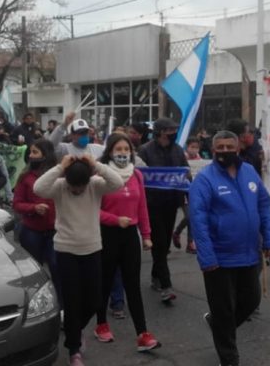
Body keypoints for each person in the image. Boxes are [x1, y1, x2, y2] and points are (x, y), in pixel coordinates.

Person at [189, 130, 270, 366]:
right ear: (213, 149)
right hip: (219, 258)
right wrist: (206, 257)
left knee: (250, 301)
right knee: (224, 310)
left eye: (230, 147)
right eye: (221, 147)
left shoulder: (249, 172)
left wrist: (269, 238)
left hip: (249, 253)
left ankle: (218, 324)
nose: (225, 151)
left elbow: (264, 205)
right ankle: (229, 359)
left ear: (238, 148)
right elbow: (198, 219)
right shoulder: (205, 179)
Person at [33, 154, 124, 366]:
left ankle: (75, 329)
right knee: (72, 301)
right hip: (65, 250)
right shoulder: (60, 186)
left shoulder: (94, 185)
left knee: (94, 300)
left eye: (80, 187)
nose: (77, 191)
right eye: (74, 187)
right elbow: (38, 188)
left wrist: (95, 165)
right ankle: (74, 350)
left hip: (92, 248)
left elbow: (117, 182)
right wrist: (60, 167)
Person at [92, 133, 160, 352]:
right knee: (105, 282)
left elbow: (142, 208)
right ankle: (101, 324)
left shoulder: (137, 175)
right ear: (109, 152)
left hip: (130, 235)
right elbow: (91, 211)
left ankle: (142, 333)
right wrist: (114, 220)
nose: (122, 153)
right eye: (118, 149)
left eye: (126, 149)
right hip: (107, 234)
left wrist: (147, 235)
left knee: (133, 285)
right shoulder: (100, 176)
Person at [138, 117, 189, 303]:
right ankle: (166, 286)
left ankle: (156, 275)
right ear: (160, 132)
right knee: (159, 243)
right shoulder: (145, 150)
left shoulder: (177, 150)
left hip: (171, 203)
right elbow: (139, 175)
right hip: (152, 204)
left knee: (164, 243)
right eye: (169, 130)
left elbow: (185, 170)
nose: (173, 133)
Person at [13, 139, 60, 300]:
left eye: (35, 152)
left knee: (57, 268)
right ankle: (36, 305)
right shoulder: (25, 176)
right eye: (31, 152)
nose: (31, 155)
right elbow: (17, 204)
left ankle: (61, 306)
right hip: (32, 232)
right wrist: (33, 208)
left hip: (56, 231)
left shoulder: (58, 174)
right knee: (34, 271)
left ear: (46, 155)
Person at [173, 137, 203, 254]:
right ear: (187, 147)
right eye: (192, 147)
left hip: (195, 192)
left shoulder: (200, 160)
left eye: (196, 147)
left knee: (193, 216)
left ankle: (190, 242)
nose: (194, 150)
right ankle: (178, 232)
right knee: (190, 216)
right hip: (183, 192)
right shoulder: (182, 158)